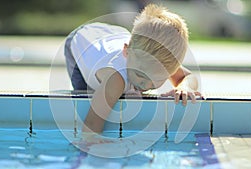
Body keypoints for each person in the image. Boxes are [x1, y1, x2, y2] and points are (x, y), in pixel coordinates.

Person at [64, 4, 201, 137]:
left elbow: (188, 77)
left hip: (113, 37)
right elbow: (92, 124)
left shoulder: (157, 64)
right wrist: (93, 143)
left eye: (156, 81)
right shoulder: (115, 78)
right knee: (90, 97)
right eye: (140, 75)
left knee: (120, 92)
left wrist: (184, 87)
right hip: (82, 43)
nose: (145, 86)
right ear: (126, 51)